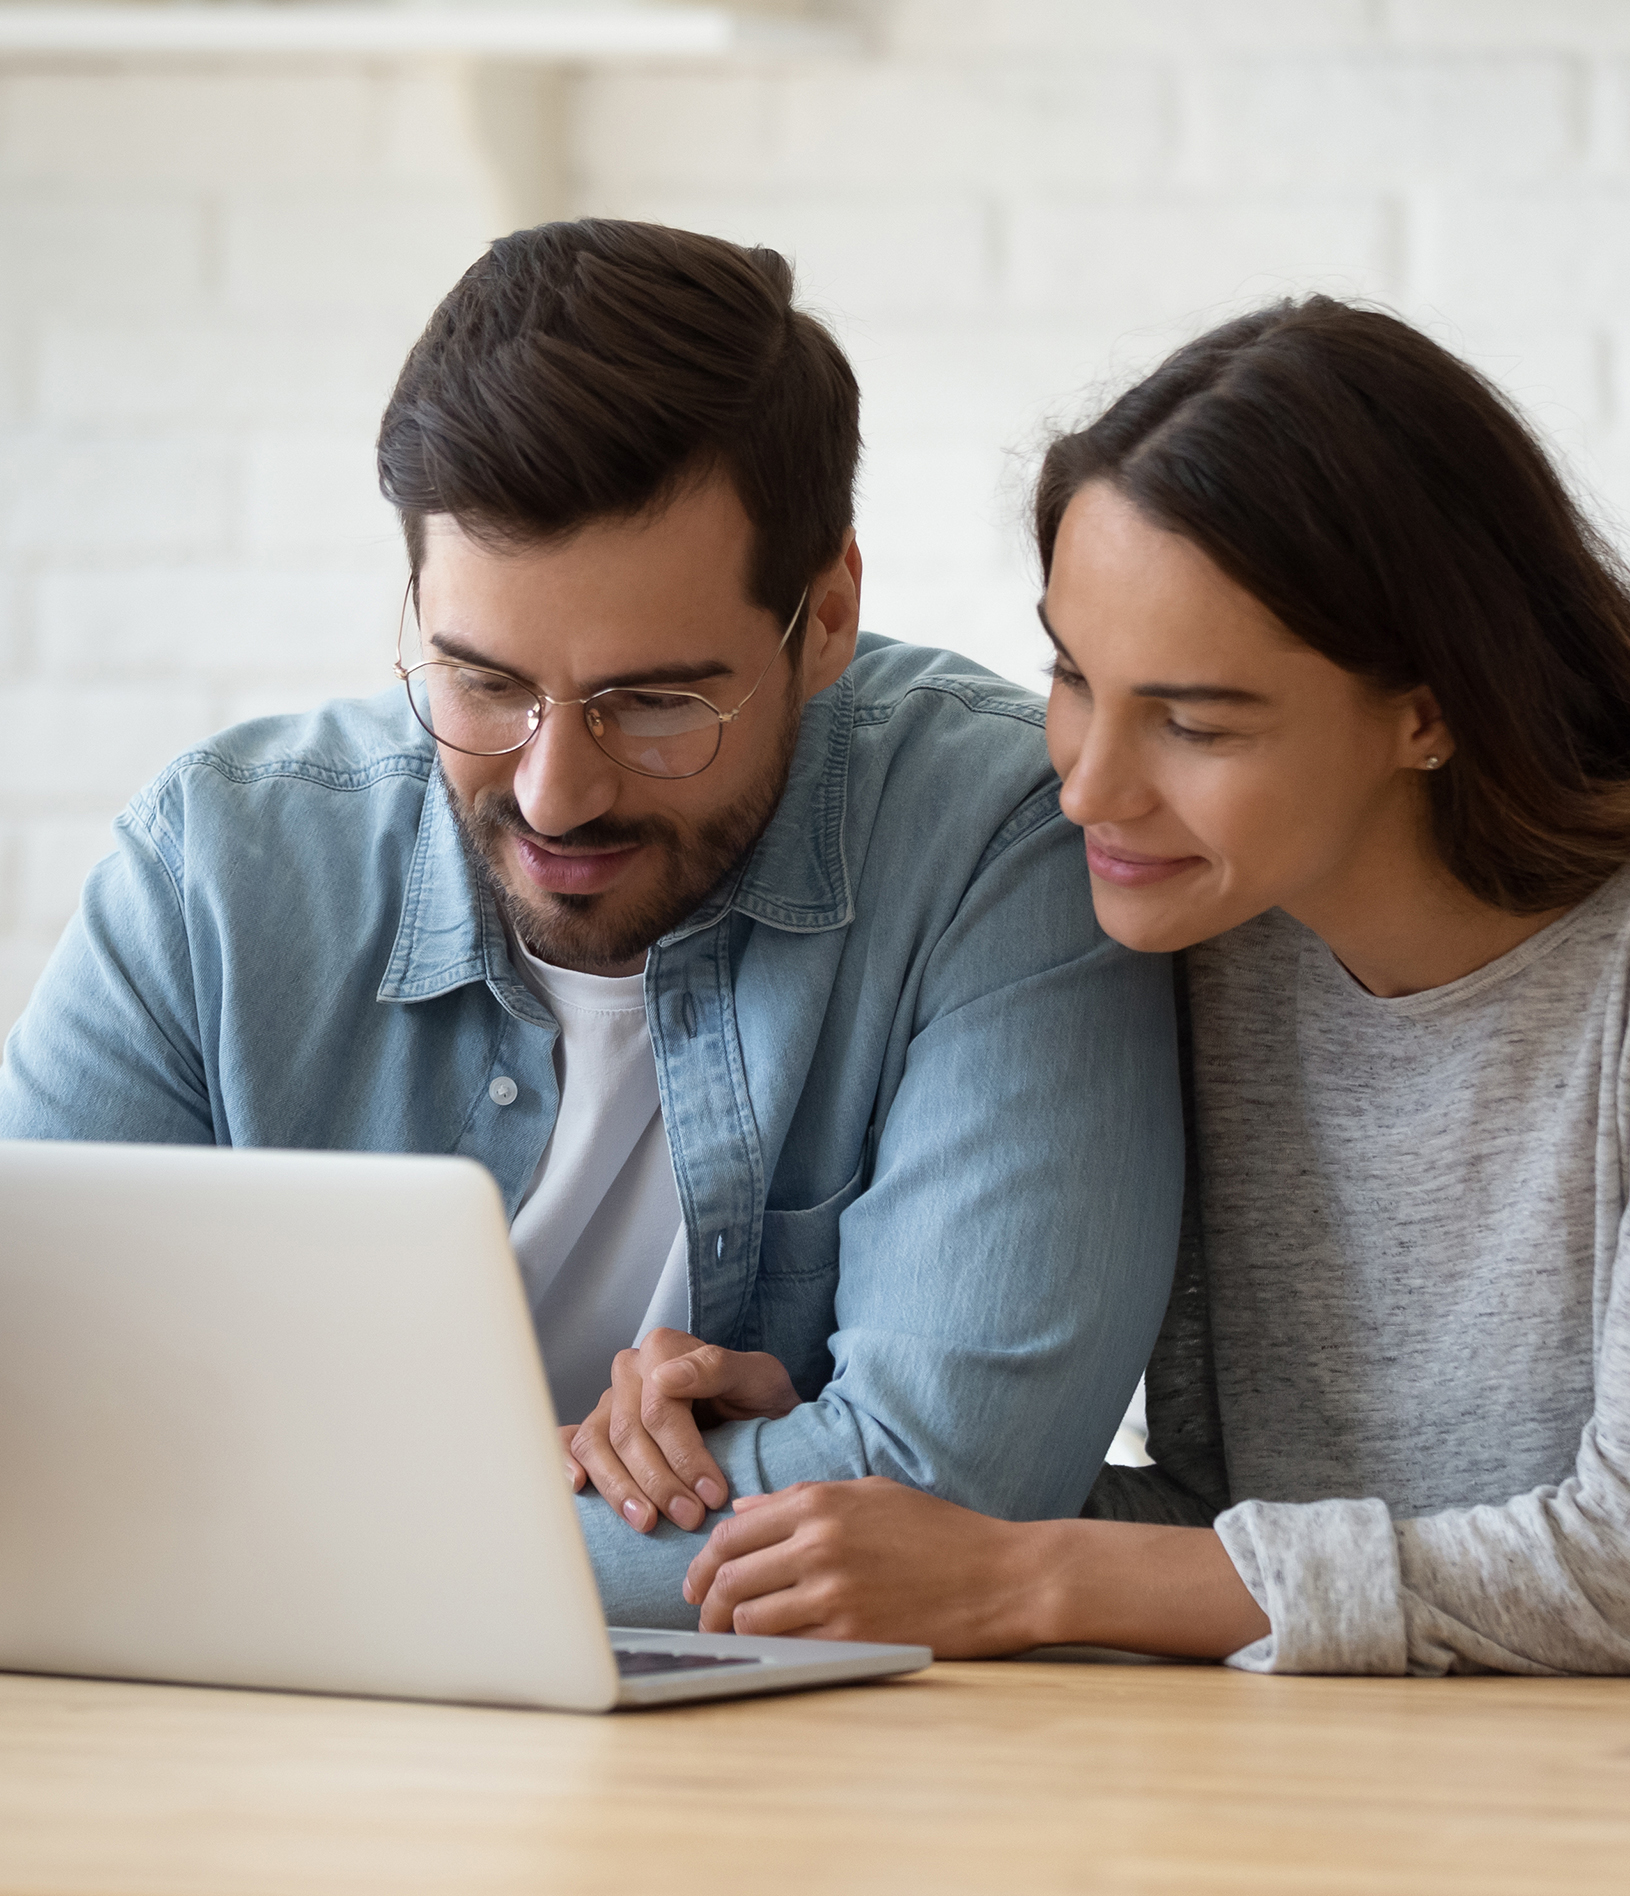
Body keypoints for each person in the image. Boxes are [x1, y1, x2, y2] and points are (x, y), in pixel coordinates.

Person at [0, 220, 1182, 1629]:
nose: (556, 794)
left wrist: (260, 1544)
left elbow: (950, 1489)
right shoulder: (216, 865)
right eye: (482, 682)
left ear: (826, 617)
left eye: (657, 700)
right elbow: (39, 1438)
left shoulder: (999, 839)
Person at [661, 297, 1630, 1675]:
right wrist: (838, 1471)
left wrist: (1034, 1574)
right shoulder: (1213, 931)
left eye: (1196, 721)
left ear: (1428, 709)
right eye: (1072, 676)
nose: (1084, 786)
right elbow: (1250, 1539)